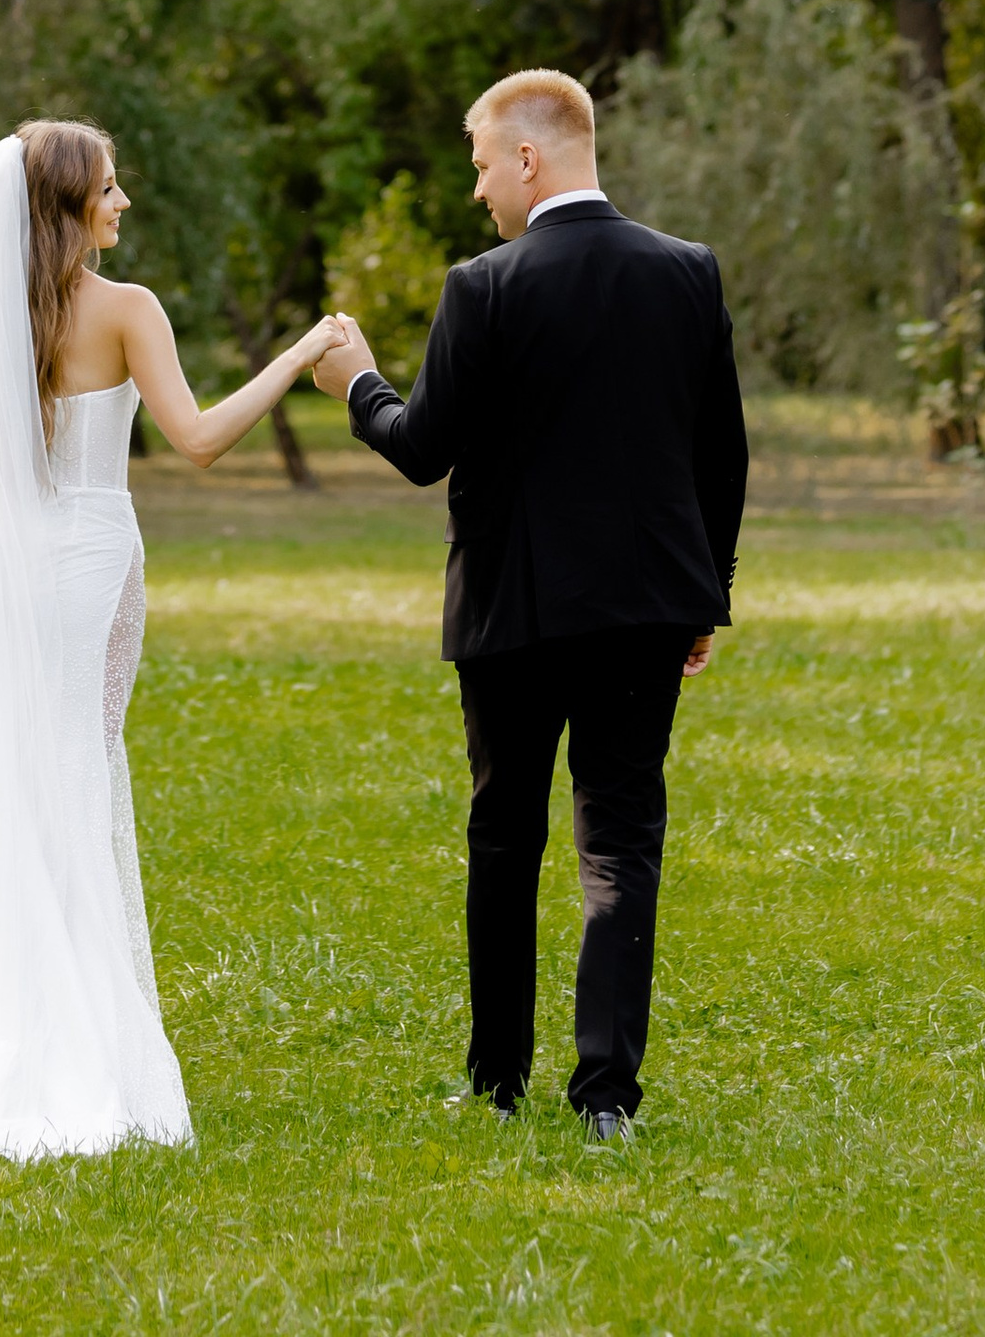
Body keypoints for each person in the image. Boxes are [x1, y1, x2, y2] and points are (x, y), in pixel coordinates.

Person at [0, 118, 341, 1158]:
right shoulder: (128, 310)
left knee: (0, 777)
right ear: (67, 204)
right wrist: (301, 352)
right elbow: (201, 439)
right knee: (77, 776)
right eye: (110, 187)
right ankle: (72, 1045)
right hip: (89, 558)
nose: (124, 202)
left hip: (5, 573)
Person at [313, 67, 746, 1141]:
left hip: (512, 614)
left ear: (526, 158)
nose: (476, 196)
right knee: (620, 844)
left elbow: (421, 449)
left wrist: (359, 384)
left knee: (505, 838)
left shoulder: (486, 286)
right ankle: (606, 1099)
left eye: (478, 168)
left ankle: (497, 1081)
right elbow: (720, 455)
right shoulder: (688, 273)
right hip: (648, 607)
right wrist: (706, 596)